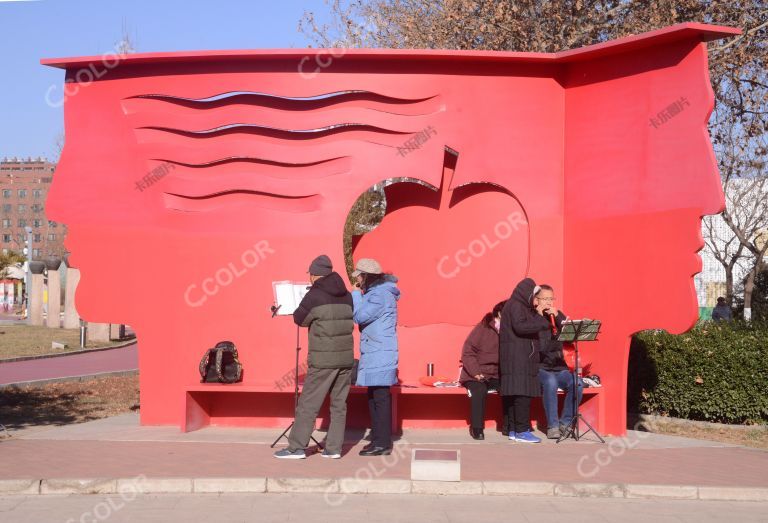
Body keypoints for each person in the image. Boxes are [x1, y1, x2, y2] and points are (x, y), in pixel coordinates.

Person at [274, 254, 354, 460]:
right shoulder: (347, 294)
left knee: (308, 403)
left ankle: (296, 448)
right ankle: (334, 449)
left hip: (323, 359)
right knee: (339, 405)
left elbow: (300, 319)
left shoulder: (315, 295)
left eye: (309, 273)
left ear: (315, 275)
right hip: (346, 358)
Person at [351, 258, 400, 456]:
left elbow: (359, 316)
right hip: (377, 351)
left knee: (379, 398)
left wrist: (355, 294)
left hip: (380, 353)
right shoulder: (378, 293)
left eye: (360, 277)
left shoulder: (379, 295)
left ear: (366, 276)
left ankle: (382, 443)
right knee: (374, 397)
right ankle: (378, 440)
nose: (358, 282)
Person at [499, 278, 551, 443]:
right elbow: (521, 327)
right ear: (527, 293)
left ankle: (513, 429)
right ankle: (522, 431)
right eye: (535, 296)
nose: (536, 300)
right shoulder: (516, 306)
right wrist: (541, 319)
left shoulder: (515, 305)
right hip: (519, 358)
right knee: (522, 394)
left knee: (515, 394)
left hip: (515, 357)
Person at [535, 284, 583, 439]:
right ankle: (553, 426)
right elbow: (540, 346)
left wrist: (559, 317)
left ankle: (565, 423)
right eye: (545, 299)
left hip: (558, 367)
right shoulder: (532, 318)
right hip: (540, 367)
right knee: (550, 382)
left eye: (551, 299)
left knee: (577, 383)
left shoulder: (557, 316)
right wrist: (539, 316)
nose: (549, 303)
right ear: (537, 300)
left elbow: (570, 337)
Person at [460, 300, 506, 440]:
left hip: (496, 374)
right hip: (475, 374)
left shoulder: (510, 330)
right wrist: (476, 372)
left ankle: (508, 426)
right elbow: (468, 352)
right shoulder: (483, 328)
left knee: (511, 387)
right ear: (500, 313)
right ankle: (477, 428)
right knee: (479, 390)